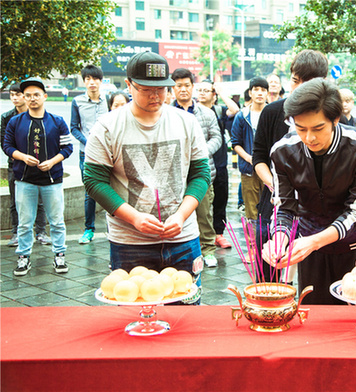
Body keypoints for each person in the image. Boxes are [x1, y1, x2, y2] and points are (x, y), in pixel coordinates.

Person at [84, 52, 211, 305]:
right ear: (129, 85)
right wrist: (135, 217)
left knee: (186, 314)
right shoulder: (107, 126)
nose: (155, 96)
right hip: (130, 242)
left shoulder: (187, 122)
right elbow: (94, 180)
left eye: (162, 89)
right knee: (135, 314)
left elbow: (201, 174)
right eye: (145, 89)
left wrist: (181, 215)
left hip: (182, 238)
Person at [262, 78, 356, 305]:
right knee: (314, 320)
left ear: (335, 119)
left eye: (318, 128)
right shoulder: (283, 152)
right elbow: (285, 207)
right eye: (300, 128)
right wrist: (279, 237)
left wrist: (315, 241)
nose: (309, 138)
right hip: (310, 251)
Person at [252, 49, 329, 283]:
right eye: (296, 81)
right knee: (270, 273)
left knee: (314, 278)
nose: (300, 89)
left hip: (317, 210)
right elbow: (259, 158)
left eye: (308, 83)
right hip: (275, 202)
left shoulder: (331, 116)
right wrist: (275, 184)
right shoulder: (272, 112)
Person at [3, 77, 73, 276]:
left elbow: (67, 147)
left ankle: (59, 254)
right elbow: (7, 146)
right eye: (28, 96)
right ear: (23, 98)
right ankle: (23, 256)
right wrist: (23, 157)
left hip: (52, 180)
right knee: (25, 222)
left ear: (45, 97)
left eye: (36, 95)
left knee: (57, 220)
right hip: (24, 180)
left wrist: (52, 161)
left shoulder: (57, 121)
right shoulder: (15, 122)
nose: (32, 99)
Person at [172, 68, 222, 267]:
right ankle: (180, 250)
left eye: (187, 85)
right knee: (176, 213)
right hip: (175, 175)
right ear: (173, 88)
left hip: (202, 172)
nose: (183, 90)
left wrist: (200, 153)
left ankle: (208, 249)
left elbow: (217, 138)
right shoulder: (166, 112)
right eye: (179, 86)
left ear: (192, 87)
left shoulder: (206, 113)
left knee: (204, 213)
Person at [1, 83, 51, 248]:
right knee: (16, 200)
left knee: (40, 199)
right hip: (16, 164)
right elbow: (5, 143)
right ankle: (17, 233)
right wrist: (20, 156)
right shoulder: (7, 118)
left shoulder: (42, 115)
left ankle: (41, 232)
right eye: (11, 95)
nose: (15, 98)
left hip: (39, 163)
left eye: (18, 94)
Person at [197, 79, 240, 250]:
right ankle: (201, 235)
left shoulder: (219, 110)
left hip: (219, 162)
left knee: (220, 199)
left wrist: (221, 92)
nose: (202, 93)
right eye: (199, 89)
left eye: (206, 90)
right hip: (200, 163)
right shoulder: (192, 111)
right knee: (200, 201)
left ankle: (218, 234)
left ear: (214, 95)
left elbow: (235, 110)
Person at [70, 65, 108, 244]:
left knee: (112, 190)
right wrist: (88, 142)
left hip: (109, 154)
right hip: (86, 154)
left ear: (101, 81)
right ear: (84, 81)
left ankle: (112, 229)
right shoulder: (77, 102)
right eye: (88, 79)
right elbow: (74, 128)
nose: (92, 83)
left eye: (95, 79)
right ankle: (89, 229)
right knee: (89, 193)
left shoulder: (108, 100)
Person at [231, 76, 268, 247]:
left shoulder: (272, 113)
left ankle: (268, 246)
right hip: (248, 170)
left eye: (263, 90)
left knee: (269, 208)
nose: (259, 93)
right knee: (251, 210)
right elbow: (235, 143)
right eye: (256, 90)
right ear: (250, 92)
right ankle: (253, 248)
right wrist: (249, 158)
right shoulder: (242, 116)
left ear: (267, 93)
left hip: (269, 170)